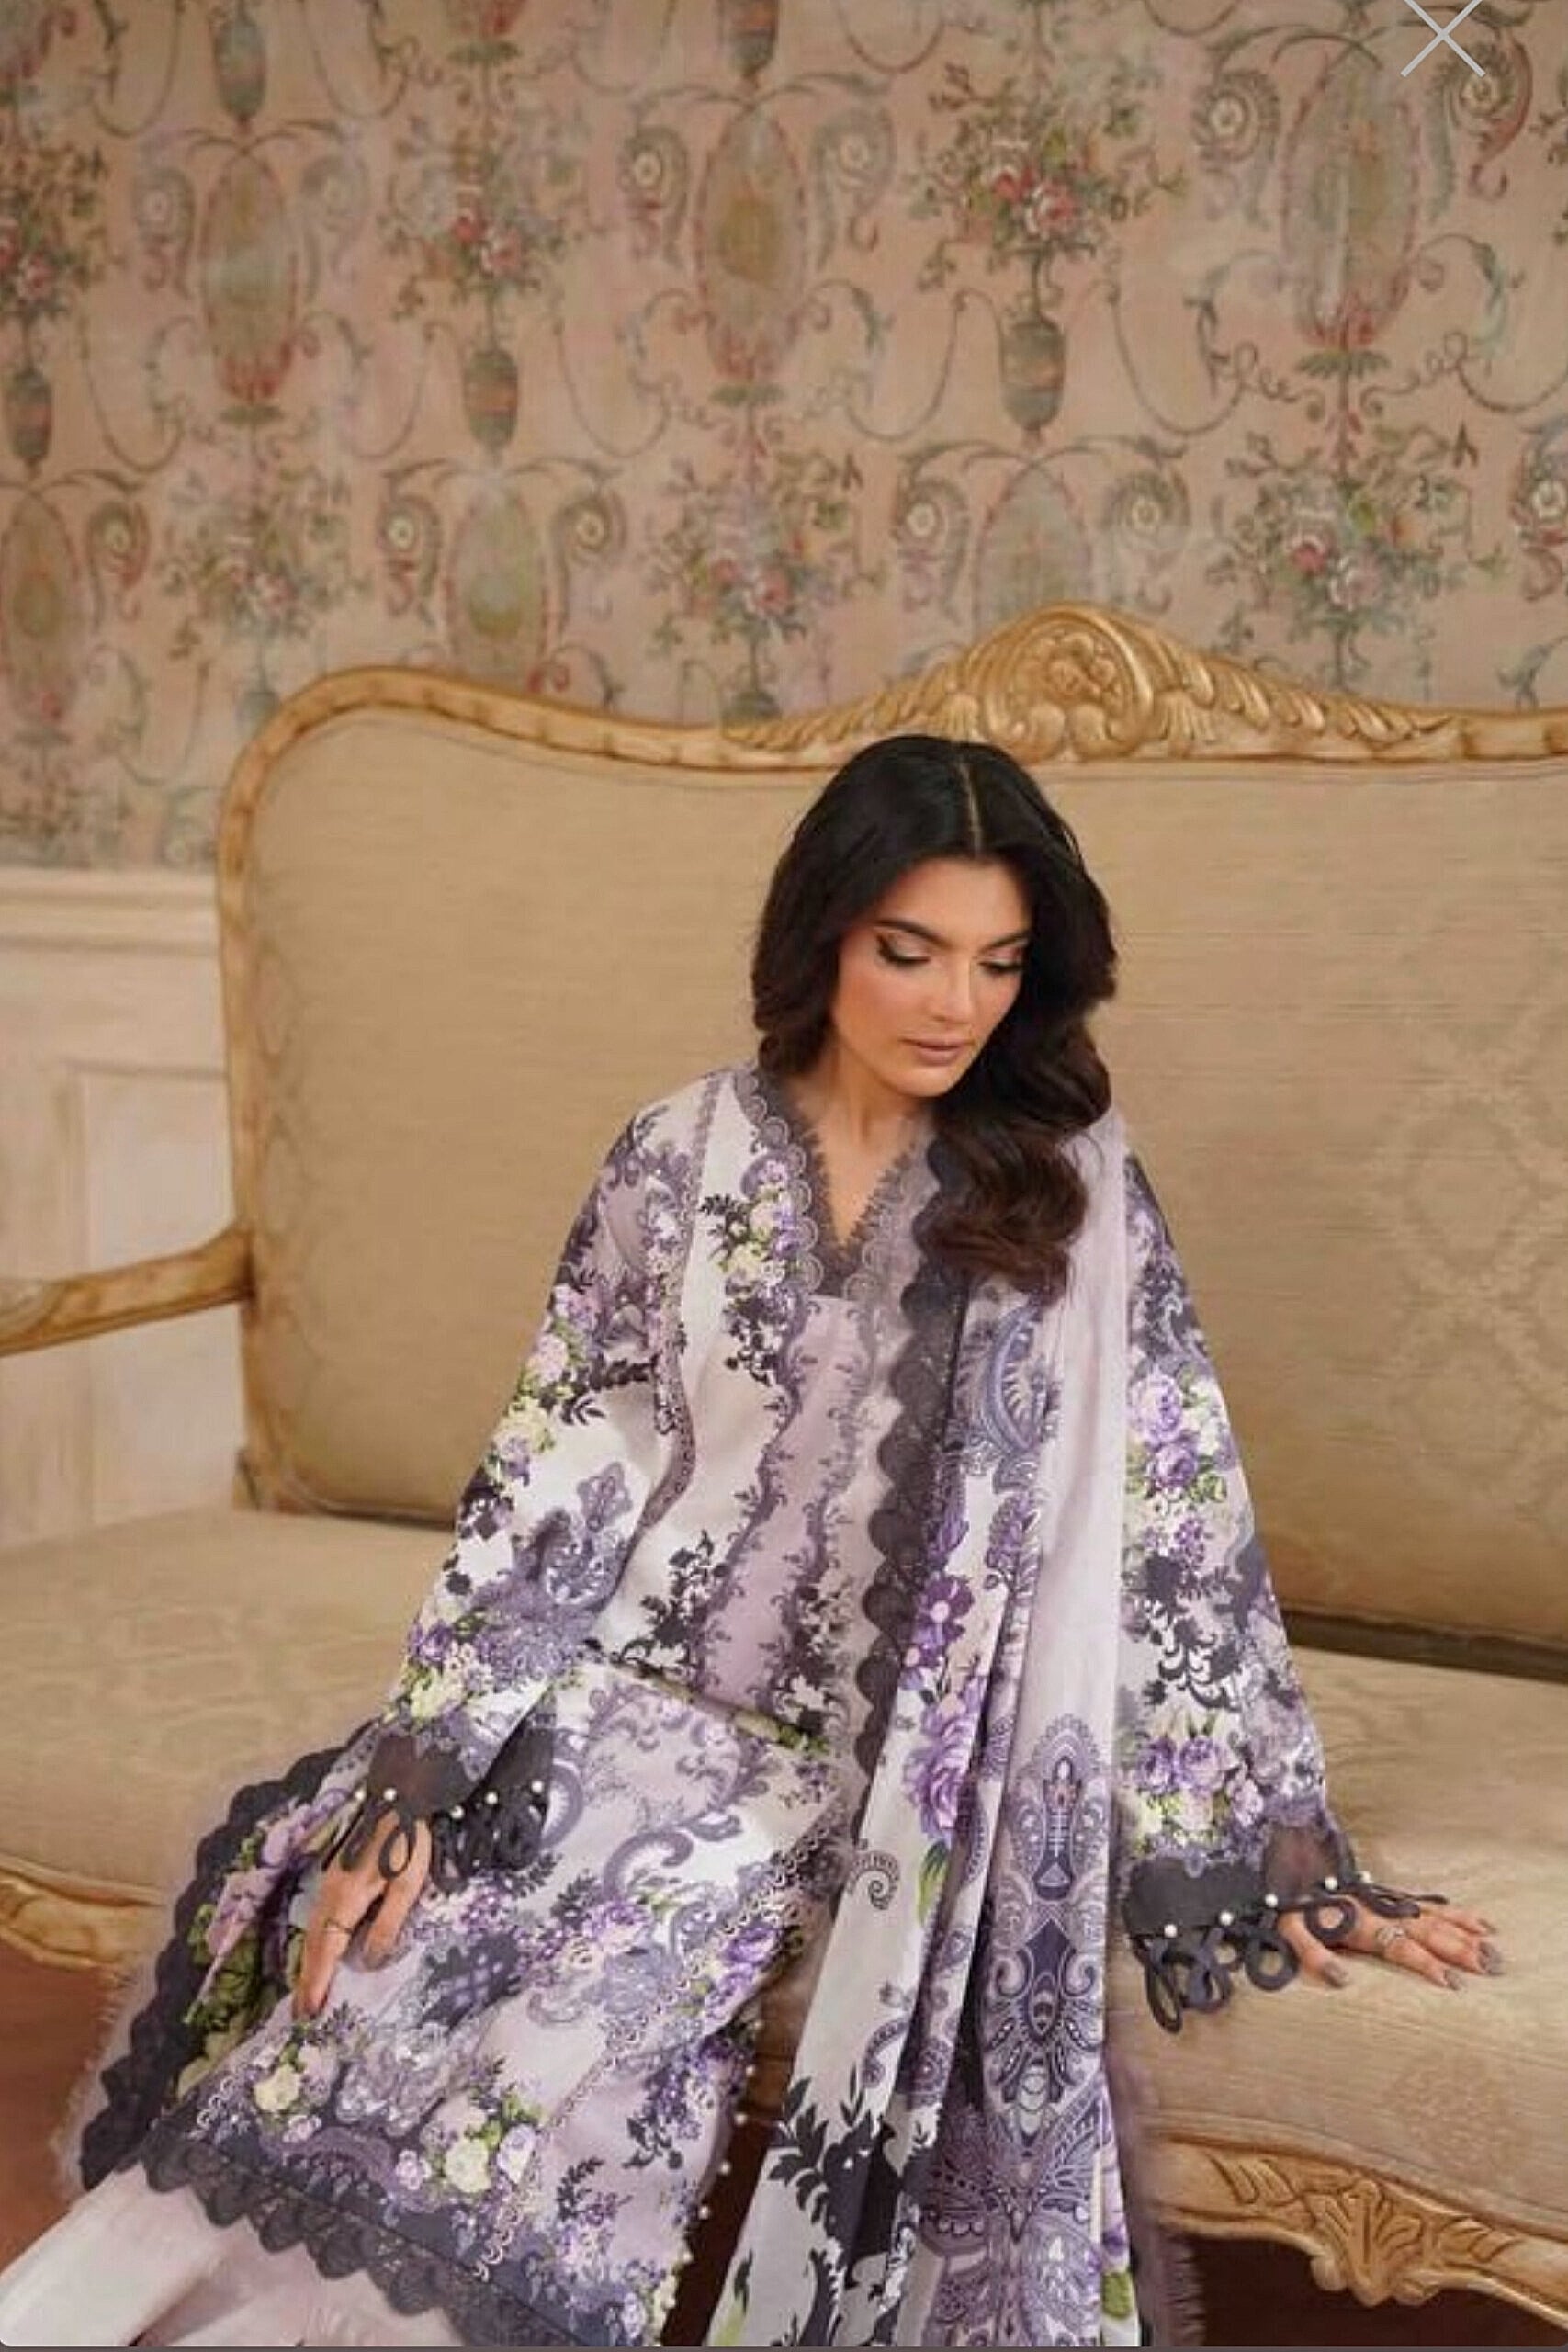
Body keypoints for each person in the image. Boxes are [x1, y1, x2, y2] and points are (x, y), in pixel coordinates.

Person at [0, 735, 1500, 2351]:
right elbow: (560, 1468)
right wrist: (423, 1767)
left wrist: (1272, 1850)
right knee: (387, 1963)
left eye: (1000, 962)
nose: (957, 1003)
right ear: (823, 935)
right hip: (609, 1701)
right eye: (909, 950)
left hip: (859, 1768)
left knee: (591, 2006)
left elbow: (1171, 1523)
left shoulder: (1062, 1199)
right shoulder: (677, 1155)